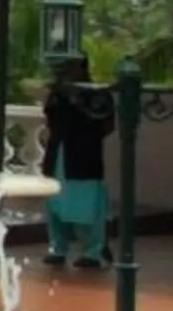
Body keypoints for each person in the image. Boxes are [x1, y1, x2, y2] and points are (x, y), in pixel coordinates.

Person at [40, 57, 116, 269]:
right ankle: (57, 248)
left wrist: (86, 137)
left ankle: (93, 252)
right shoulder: (58, 92)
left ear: (83, 68)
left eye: (71, 67)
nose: (67, 72)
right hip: (58, 154)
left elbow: (107, 125)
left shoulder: (98, 93)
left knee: (86, 206)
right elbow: (50, 119)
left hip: (84, 158)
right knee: (54, 203)